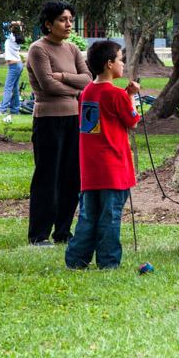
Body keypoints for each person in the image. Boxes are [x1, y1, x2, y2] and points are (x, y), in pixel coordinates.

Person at [65, 41, 141, 270]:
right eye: (120, 59)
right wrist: (132, 96)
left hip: (91, 169)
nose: (123, 63)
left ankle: (76, 260)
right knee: (110, 217)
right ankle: (108, 262)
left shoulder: (88, 91)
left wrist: (125, 94)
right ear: (109, 64)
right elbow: (132, 120)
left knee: (88, 216)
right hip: (114, 170)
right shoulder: (115, 94)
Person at [26, 0, 92, 246]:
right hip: (48, 121)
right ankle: (39, 234)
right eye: (63, 20)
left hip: (73, 119)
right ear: (48, 24)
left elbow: (87, 79)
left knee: (71, 177)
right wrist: (72, 88)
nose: (68, 24)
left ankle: (63, 232)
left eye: (70, 20)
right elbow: (47, 85)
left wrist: (64, 77)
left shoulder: (72, 49)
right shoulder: (38, 49)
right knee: (47, 176)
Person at [0, 21, 25, 123]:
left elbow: (3, 28)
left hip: (14, 66)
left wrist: (13, 23)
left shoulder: (11, 37)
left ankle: (2, 109)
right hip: (18, 64)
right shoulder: (16, 37)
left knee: (8, 88)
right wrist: (17, 24)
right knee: (14, 88)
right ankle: (15, 109)